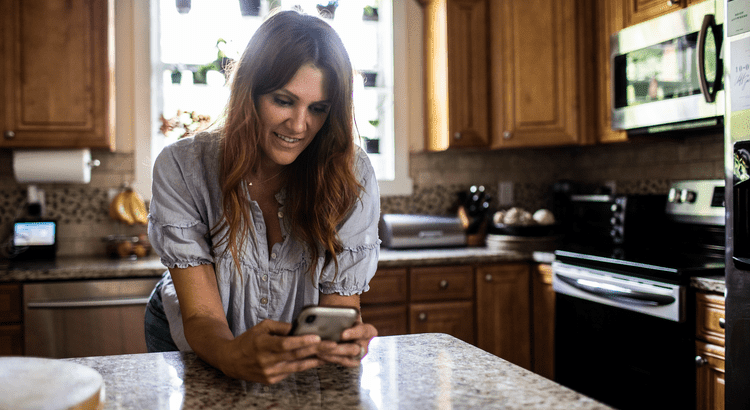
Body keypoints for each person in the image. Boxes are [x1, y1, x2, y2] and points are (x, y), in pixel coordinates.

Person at [144, 9, 380, 385]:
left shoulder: (350, 173)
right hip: (194, 338)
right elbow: (202, 317)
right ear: (248, 93)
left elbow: (341, 305)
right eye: (284, 101)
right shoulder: (182, 167)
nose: (300, 125)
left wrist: (343, 341)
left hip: (291, 351)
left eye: (318, 109)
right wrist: (231, 356)